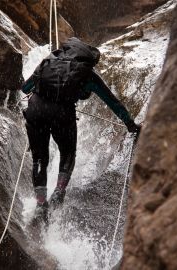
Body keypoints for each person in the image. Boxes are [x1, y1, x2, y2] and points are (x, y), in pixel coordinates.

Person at [22, 37, 140, 223]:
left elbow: (25, 87)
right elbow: (113, 103)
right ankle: (59, 191)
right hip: (63, 114)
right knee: (68, 154)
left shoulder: (50, 60)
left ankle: (40, 205)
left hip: (36, 110)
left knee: (39, 159)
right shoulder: (87, 73)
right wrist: (131, 126)